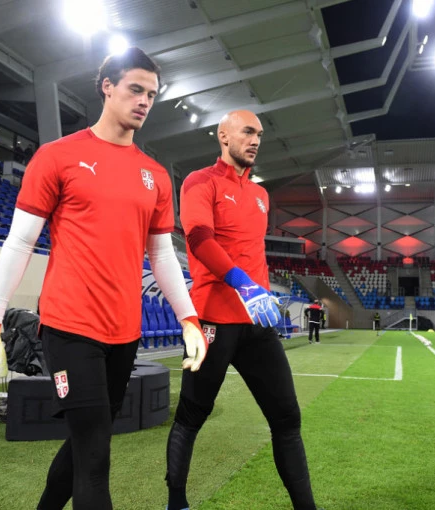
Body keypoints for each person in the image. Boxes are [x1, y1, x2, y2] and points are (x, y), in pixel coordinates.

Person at [0, 47, 208, 510]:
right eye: (135, 89)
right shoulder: (58, 157)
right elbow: (19, 243)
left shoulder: (155, 175)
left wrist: (188, 318)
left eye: (151, 94)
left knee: (88, 440)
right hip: (69, 328)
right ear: (107, 87)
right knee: (95, 456)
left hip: (124, 333)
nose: (144, 101)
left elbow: (162, 255)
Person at [165, 110, 319, 510]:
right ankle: (176, 502)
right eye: (248, 132)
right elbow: (198, 238)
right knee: (191, 416)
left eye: (260, 134)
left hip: (256, 324)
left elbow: (252, 252)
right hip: (213, 320)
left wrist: (261, 292)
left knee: (287, 419)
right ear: (223, 135)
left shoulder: (261, 195)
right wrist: (243, 284)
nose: (256, 140)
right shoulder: (200, 181)